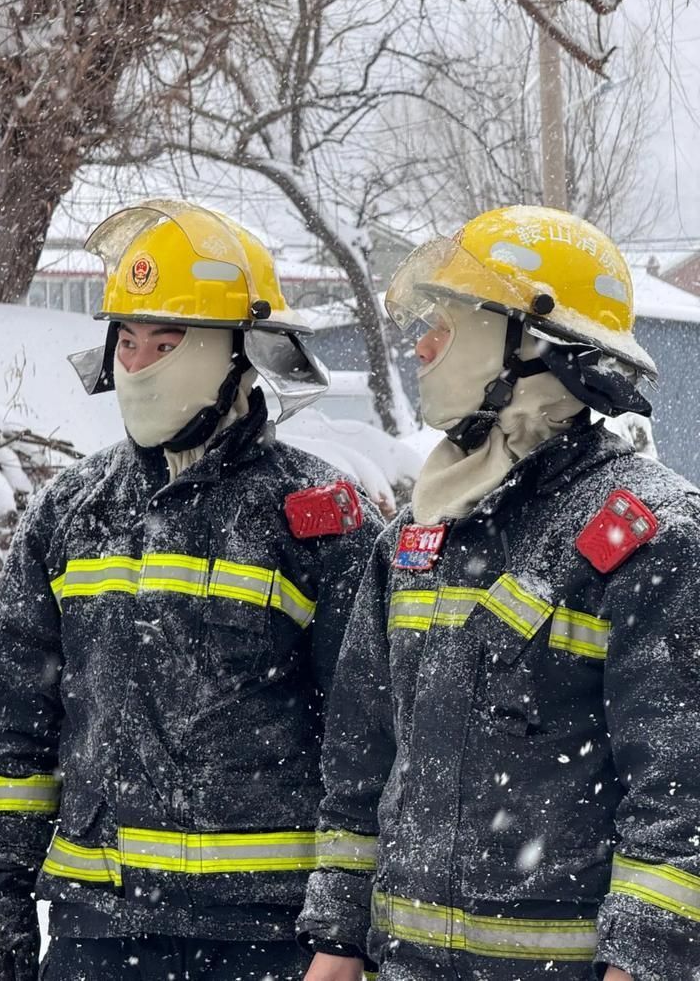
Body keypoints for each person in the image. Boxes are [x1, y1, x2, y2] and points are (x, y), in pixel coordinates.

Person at [0, 199, 382, 981]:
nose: (140, 361)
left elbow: (365, 741)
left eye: (167, 339)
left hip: (265, 932)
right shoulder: (72, 509)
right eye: (127, 339)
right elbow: (14, 716)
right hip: (97, 925)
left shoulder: (317, 517)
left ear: (240, 353)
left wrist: (346, 927)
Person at [298, 205, 700, 981]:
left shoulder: (652, 537)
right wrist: (336, 945)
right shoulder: (414, 541)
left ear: (529, 341)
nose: (420, 347)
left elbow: (681, 796)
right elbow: (360, 771)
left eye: (445, 324)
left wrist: (643, 964)